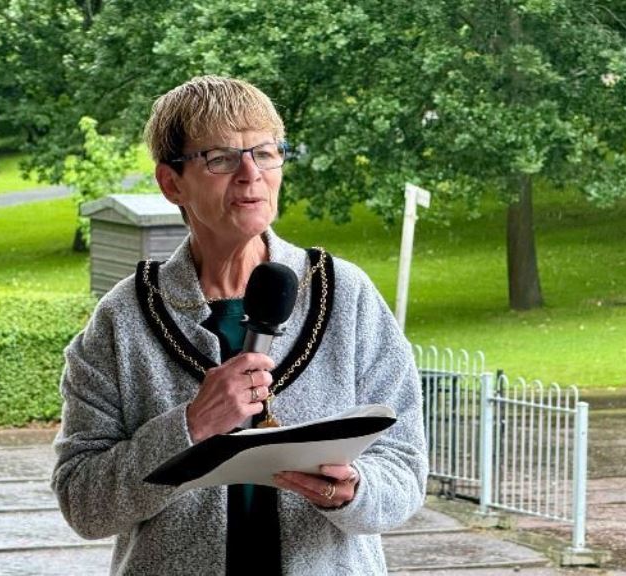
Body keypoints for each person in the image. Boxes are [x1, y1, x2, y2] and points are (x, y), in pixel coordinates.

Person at [51, 75, 427, 575]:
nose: (251, 174)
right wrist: (190, 426)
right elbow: (84, 504)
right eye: (221, 158)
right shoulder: (122, 322)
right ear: (171, 183)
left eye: (266, 152)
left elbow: (405, 469)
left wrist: (352, 490)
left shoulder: (347, 297)